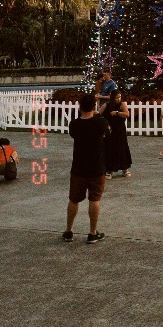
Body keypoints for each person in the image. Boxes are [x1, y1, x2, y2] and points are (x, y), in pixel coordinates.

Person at [63, 92, 110, 245]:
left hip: (78, 167)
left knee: (73, 200)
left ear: (79, 107)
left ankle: (69, 231)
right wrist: (97, 114)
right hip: (96, 167)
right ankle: (92, 232)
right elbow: (107, 131)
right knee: (94, 199)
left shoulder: (74, 124)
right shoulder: (100, 123)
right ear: (94, 106)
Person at [99, 89, 132, 178]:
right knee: (109, 148)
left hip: (119, 129)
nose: (118, 99)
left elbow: (127, 114)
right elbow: (98, 115)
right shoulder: (106, 105)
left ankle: (125, 168)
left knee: (122, 147)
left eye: (119, 97)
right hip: (109, 130)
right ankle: (109, 170)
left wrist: (117, 113)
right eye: (116, 97)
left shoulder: (122, 105)